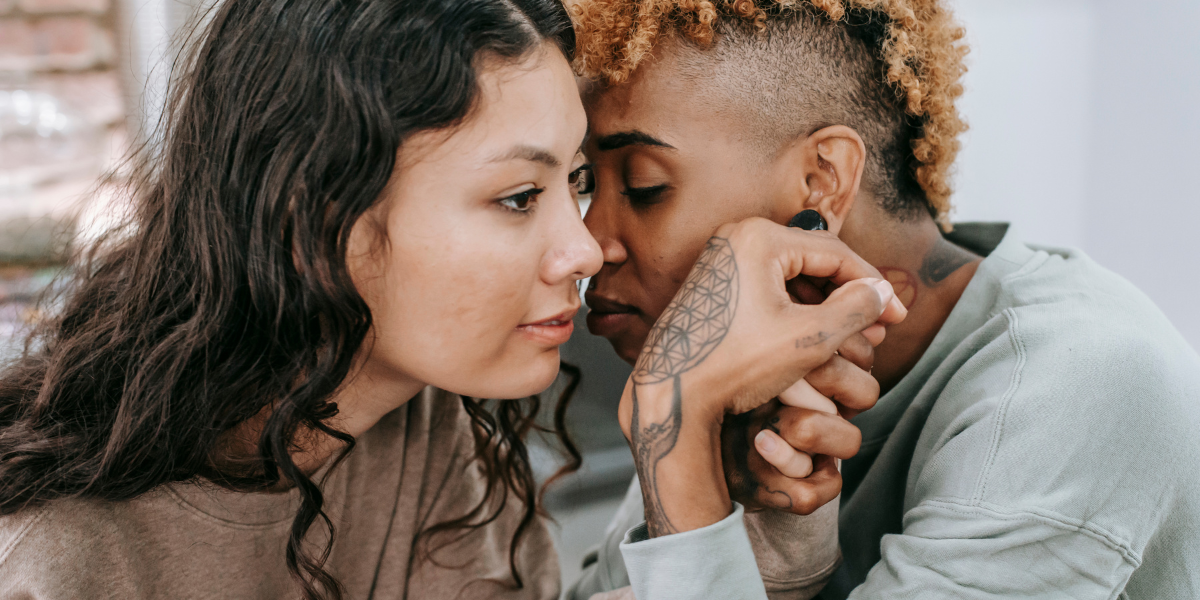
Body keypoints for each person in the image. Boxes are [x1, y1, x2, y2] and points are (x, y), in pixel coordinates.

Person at [0, 0, 901, 598]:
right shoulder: (55, 561)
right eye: (518, 197)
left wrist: (744, 514)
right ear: (318, 212)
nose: (583, 248)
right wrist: (670, 437)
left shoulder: (431, 436)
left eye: (575, 184)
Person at [569, 0, 1200, 598]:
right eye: (583, 185)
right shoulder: (733, 376)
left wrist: (672, 439)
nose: (587, 243)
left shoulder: (1080, 384)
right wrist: (766, 539)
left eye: (644, 185)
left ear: (821, 182)